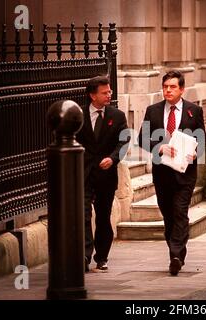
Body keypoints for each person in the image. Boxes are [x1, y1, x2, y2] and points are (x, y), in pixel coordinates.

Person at [138, 70, 206, 276]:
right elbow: (142, 138)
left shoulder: (194, 110)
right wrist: (159, 147)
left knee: (180, 211)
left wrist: (196, 153)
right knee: (168, 214)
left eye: (173, 87)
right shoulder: (153, 111)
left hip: (185, 173)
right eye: (165, 86)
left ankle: (175, 255)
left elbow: (202, 140)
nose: (168, 90)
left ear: (182, 89)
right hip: (162, 173)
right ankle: (175, 250)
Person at [76, 75, 129, 272]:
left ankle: (102, 256)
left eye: (110, 92)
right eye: (104, 92)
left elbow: (123, 142)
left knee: (103, 217)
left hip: (106, 176)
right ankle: (84, 255)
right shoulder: (78, 116)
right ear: (92, 95)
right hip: (84, 173)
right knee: (83, 214)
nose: (109, 95)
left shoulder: (117, 116)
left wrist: (113, 158)